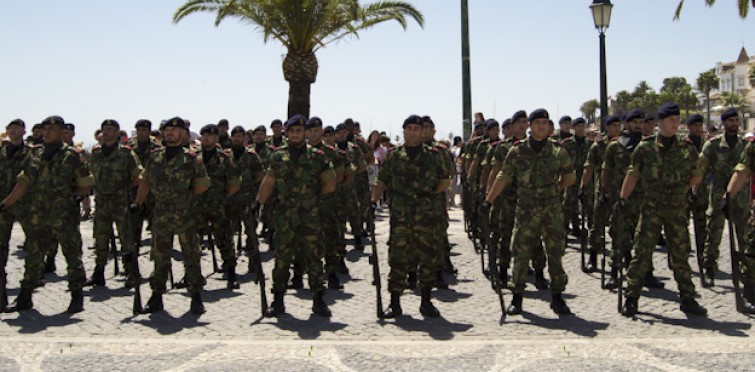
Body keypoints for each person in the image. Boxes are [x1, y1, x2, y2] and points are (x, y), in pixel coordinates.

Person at [619, 103, 707, 317]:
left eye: (677, 120)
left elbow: (697, 173)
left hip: (677, 208)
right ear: (660, 122)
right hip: (652, 207)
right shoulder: (646, 147)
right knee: (641, 252)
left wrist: (686, 189)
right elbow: (633, 174)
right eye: (671, 120)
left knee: (679, 254)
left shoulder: (687, 148)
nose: (675, 123)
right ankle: (631, 296)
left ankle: (687, 298)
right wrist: (622, 199)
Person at [484, 108, 575, 315]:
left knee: (554, 253)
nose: (541, 126)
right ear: (530, 126)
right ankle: (517, 298)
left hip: (551, 210)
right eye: (537, 123)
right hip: (525, 210)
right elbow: (503, 177)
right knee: (521, 253)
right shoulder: (517, 151)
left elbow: (569, 178)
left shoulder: (558, 151)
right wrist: (489, 200)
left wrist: (553, 190)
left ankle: (557, 297)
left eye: (545, 122)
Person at [1, 115, 93, 313]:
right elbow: (22, 183)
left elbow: (85, 184)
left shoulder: (72, 155)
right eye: (46, 128)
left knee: (72, 256)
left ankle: (77, 296)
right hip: (38, 215)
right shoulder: (34, 154)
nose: (48, 132)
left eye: (52, 128)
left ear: (62, 132)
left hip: (64, 215)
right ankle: (25, 297)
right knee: (33, 256)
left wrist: (65, 196)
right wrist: (5, 204)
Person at [252, 114, 336, 318]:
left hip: (310, 215)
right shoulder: (278, 156)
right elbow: (269, 182)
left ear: (305, 133)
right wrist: (257, 204)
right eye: (292, 131)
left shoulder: (317, 156)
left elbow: (330, 183)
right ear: (287, 133)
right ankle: (278, 300)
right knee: (282, 257)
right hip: (286, 215)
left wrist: (313, 200)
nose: (296, 134)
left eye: (300, 131)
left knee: (314, 257)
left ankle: (318, 300)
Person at [371, 114, 450, 318]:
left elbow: (444, 181)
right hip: (401, 216)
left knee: (427, 256)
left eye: (417, 128)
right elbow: (382, 181)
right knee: (397, 258)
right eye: (410, 128)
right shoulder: (394, 156)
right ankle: (395, 302)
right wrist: (372, 203)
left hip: (426, 215)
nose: (413, 132)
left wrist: (429, 197)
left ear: (423, 131)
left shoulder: (433, 155)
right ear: (404, 131)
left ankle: (426, 301)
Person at [131, 116, 210, 315]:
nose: (170, 133)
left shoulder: (192, 158)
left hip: (185, 214)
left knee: (191, 255)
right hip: (161, 213)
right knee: (159, 255)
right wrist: (137, 203)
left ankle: (196, 295)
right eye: (167, 130)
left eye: (175, 131)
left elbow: (201, 185)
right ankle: (157, 295)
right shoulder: (155, 156)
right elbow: (145, 181)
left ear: (183, 134)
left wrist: (186, 198)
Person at [86, 119, 142, 288]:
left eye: (110, 129)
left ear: (117, 132)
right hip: (102, 202)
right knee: (101, 238)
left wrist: (124, 188)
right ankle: (99, 272)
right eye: (104, 130)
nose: (107, 132)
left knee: (126, 239)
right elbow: (91, 175)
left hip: (121, 202)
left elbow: (138, 176)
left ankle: (131, 272)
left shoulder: (126, 153)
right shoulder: (95, 153)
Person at [700, 108, 748, 287]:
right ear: (724, 123)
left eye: (736, 120)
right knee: (714, 233)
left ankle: (747, 271)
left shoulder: (745, 145)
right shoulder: (712, 146)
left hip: (740, 196)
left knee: (744, 236)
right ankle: (710, 267)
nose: (734, 124)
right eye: (731, 121)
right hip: (719, 196)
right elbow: (701, 169)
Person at [194, 124, 241, 289]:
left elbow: (234, 183)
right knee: (193, 242)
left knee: (224, 239)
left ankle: (231, 273)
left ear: (216, 138)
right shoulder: (193, 157)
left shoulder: (224, 158)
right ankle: (192, 274)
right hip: (196, 206)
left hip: (217, 206)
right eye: (204, 135)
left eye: (211, 135)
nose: (207, 138)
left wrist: (222, 197)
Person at [579, 115, 622, 273]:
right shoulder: (598, 146)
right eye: (614, 126)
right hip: (602, 192)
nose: (617, 128)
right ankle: (593, 257)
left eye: (619, 125)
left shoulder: (624, 144)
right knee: (597, 227)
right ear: (607, 127)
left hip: (620, 193)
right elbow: (589, 167)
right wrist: (583, 187)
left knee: (619, 229)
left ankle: (618, 262)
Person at [0, 119, 33, 311]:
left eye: (17, 129)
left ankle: (28, 287)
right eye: (10, 129)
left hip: (25, 206)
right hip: (2, 207)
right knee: (1, 248)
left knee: (34, 245)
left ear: (24, 131)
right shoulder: (1, 153)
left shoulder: (31, 154)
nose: (13, 132)